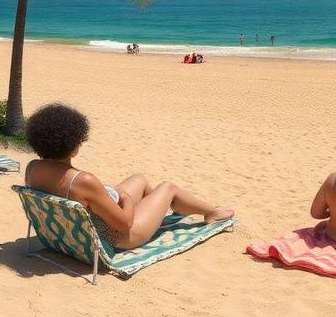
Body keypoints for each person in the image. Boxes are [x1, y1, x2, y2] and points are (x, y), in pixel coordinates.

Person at [22, 104, 234, 250]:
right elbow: (124, 224)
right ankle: (211, 213)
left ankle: (161, 211)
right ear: (75, 144)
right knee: (168, 187)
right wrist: (125, 200)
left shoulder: (33, 168)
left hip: (73, 231)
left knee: (139, 179)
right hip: (118, 237)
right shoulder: (82, 180)